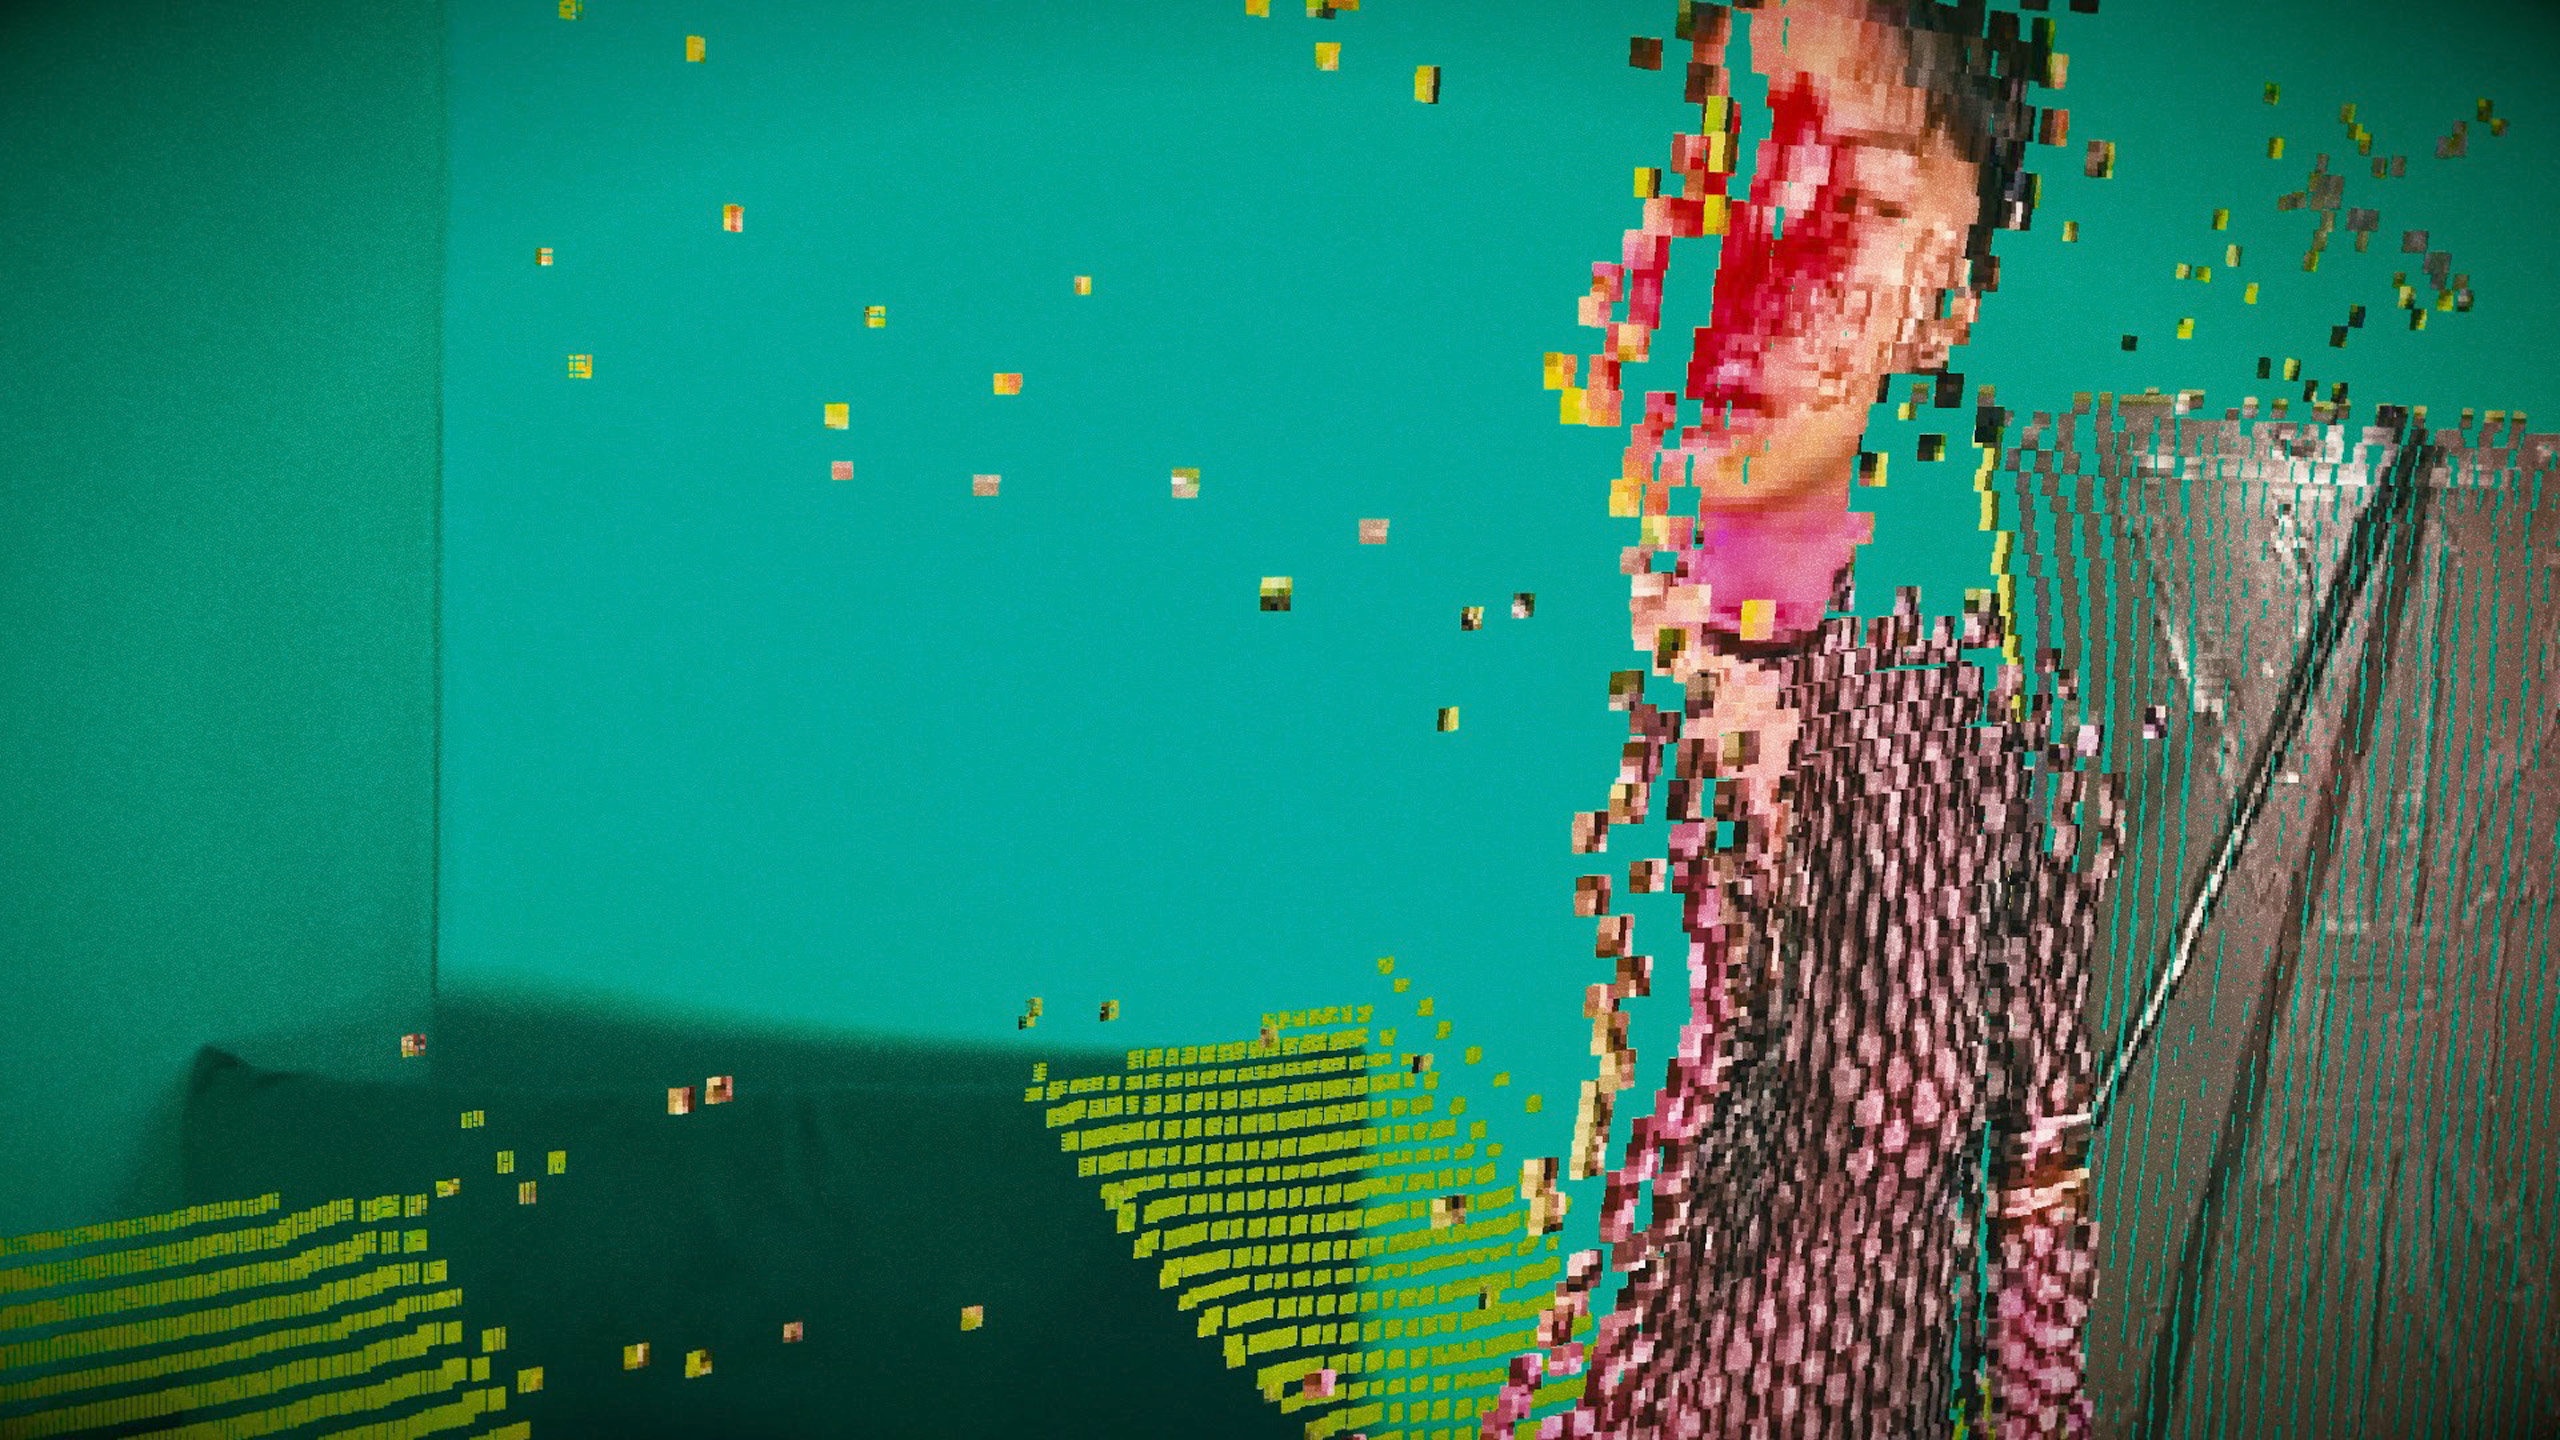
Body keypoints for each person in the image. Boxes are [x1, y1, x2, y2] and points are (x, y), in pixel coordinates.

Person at [1487, 2, 2114, 1436]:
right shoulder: (1496, 685)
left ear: (1948, 295)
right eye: (1730, 164)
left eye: (1866, 201)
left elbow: (2041, 1222)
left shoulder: (1988, 741)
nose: (1770, 250)